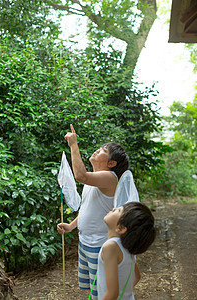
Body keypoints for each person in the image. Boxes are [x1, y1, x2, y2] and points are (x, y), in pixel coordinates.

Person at [57, 124, 129, 299]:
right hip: (85, 242)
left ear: (111, 163)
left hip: (99, 244)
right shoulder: (95, 180)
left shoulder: (110, 178)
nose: (97, 150)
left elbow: (80, 175)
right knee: (94, 288)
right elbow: (87, 207)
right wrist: (72, 226)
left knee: (103, 289)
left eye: (103, 150)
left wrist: (74, 146)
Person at [97, 202, 156, 300]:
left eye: (119, 210)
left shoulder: (111, 247)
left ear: (121, 228)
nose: (114, 209)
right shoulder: (126, 246)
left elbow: (112, 293)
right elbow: (137, 277)